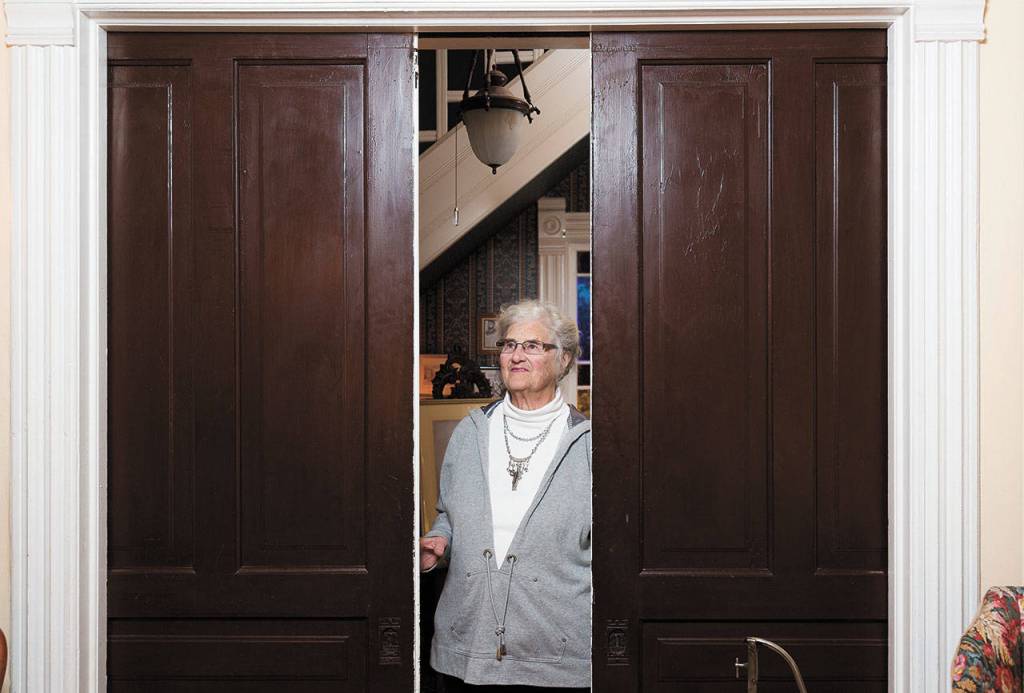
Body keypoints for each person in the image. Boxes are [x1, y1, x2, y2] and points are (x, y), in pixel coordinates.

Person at [421, 299, 592, 692]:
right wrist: (440, 542)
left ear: (563, 359)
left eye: (532, 346)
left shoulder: (587, 445)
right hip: (468, 645)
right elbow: (447, 512)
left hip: (556, 653)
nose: (516, 355)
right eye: (509, 345)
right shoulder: (469, 433)